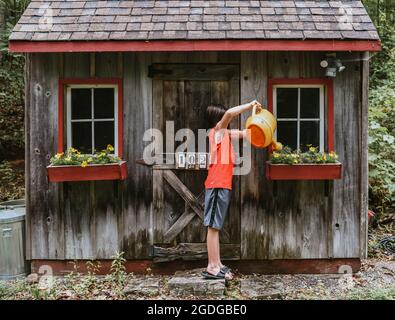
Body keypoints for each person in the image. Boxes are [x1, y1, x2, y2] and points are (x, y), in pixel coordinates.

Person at [202, 100, 263, 280]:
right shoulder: (218, 131)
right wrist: (250, 104)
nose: (226, 120)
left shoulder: (225, 133)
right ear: (218, 120)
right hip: (216, 184)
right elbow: (229, 114)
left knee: (216, 226)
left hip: (222, 185)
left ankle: (217, 263)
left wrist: (258, 115)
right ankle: (212, 266)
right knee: (213, 227)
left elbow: (246, 133)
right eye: (223, 119)